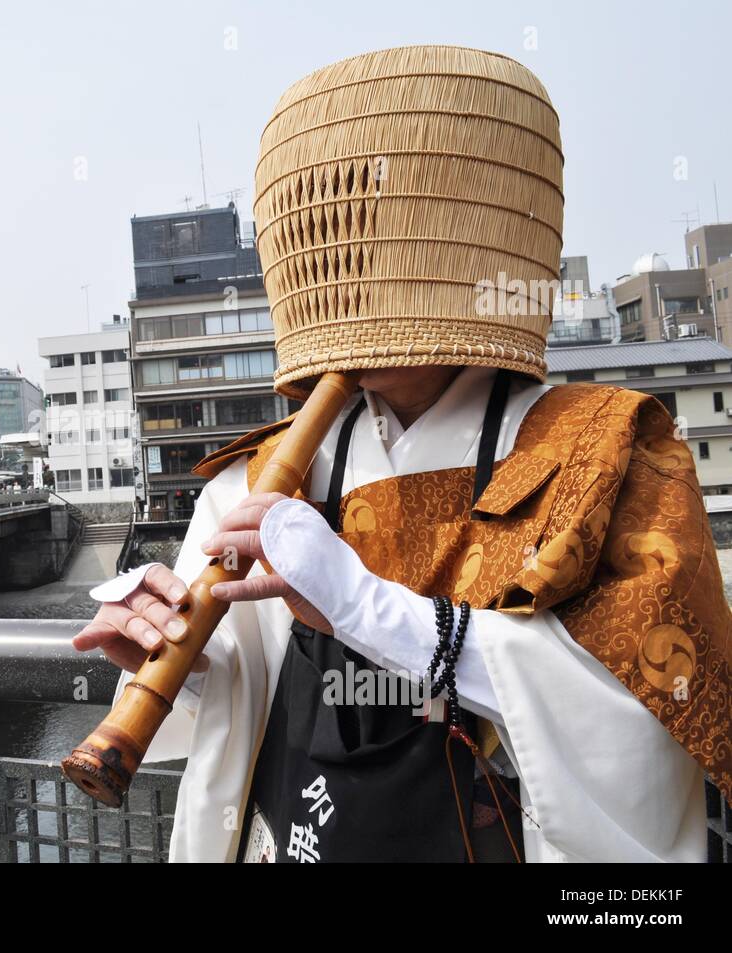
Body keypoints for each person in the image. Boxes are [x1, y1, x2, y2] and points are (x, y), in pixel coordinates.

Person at [75, 46, 730, 864]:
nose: (351, 266)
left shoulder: (605, 450)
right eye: (332, 235)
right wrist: (193, 666)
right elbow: (247, 709)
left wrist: (368, 607)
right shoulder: (262, 474)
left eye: (377, 235)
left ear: (469, 233)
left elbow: (654, 716)